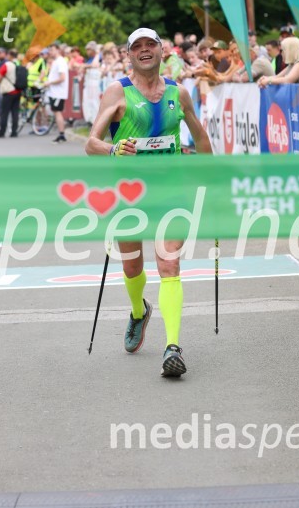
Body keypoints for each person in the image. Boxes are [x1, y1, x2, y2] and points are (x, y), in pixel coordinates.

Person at [84, 28, 212, 378]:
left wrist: (213, 179)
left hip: (172, 191)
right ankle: (139, 312)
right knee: (131, 267)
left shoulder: (178, 92)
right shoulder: (117, 91)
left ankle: (173, 347)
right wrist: (113, 149)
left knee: (168, 263)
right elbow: (91, 143)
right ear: (129, 55)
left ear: (161, 50)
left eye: (149, 45)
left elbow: (200, 137)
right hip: (129, 193)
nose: (144, 51)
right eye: (137, 47)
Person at [0, 49, 22, 138]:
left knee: (4, 112)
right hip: (18, 90)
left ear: (10, 55)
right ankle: (14, 131)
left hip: (8, 91)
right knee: (15, 112)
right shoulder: (19, 64)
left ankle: (2, 131)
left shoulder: (7, 65)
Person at [45, 43, 69, 143]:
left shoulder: (60, 61)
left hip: (58, 93)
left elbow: (62, 77)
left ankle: (62, 134)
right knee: (56, 112)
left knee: (58, 112)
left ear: (58, 50)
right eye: (49, 50)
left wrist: (50, 82)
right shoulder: (56, 62)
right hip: (54, 92)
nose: (50, 52)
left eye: (52, 50)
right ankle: (61, 134)